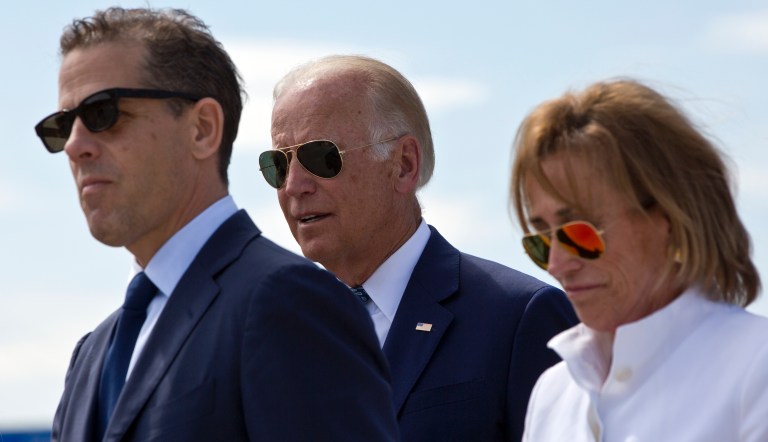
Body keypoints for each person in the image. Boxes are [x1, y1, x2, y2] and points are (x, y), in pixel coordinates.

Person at [36, 8, 398, 441]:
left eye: (103, 113)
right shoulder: (92, 354)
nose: (75, 145)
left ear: (202, 129)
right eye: (62, 125)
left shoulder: (288, 304)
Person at [260, 54, 578, 441]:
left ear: (404, 164)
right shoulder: (277, 339)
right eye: (278, 163)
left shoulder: (519, 318)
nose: (294, 185)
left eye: (320, 157)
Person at [510, 79, 768, 441]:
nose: (556, 264)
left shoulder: (757, 368)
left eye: (580, 231)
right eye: (541, 240)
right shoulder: (554, 394)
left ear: (670, 216)